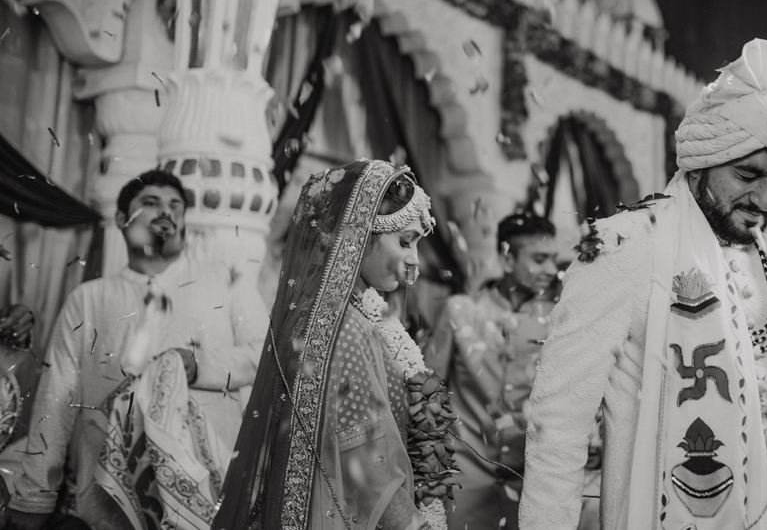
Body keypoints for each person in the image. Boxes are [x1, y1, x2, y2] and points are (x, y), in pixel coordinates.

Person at [518, 39, 767, 530]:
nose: (766, 200)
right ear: (702, 161)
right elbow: (557, 426)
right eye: (747, 174)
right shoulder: (626, 248)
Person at [1, 169, 269, 530]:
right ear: (121, 219)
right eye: (151, 203)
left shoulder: (227, 280)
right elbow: (56, 399)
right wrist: (35, 497)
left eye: (175, 205)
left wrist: (201, 365)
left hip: (212, 488)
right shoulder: (89, 298)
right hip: (109, 498)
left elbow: (265, 355)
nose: (166, 211)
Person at [211, 159, 458, 530]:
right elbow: (363, 461)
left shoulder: (344, 314)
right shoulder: (343, 328)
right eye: (404, 241)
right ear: (357, 234)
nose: (414, 260)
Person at [423, 213, 600, 530]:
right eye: (539, 259)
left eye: (554, 260)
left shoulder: (559, 320)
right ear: (507, 258)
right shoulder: (461, 312)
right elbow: (427, 394)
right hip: (464, 475)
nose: (551, 270)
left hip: (530, 478)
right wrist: (430, 470)